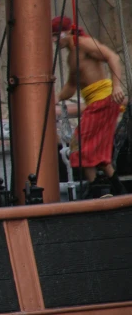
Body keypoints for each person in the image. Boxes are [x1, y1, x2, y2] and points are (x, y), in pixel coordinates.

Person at [52, 16, 126, 195]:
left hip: (103, 100)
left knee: (80, 142)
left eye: (56, 35)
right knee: (98, 153)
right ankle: (119, 191)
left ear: (67, 31)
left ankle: (98, 189)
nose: (55, 40)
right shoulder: (72, 57)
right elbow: (71, 85)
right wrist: (55, 98)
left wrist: (116, 85)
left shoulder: (83, 44)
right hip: (96, 102)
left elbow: (113, 57)